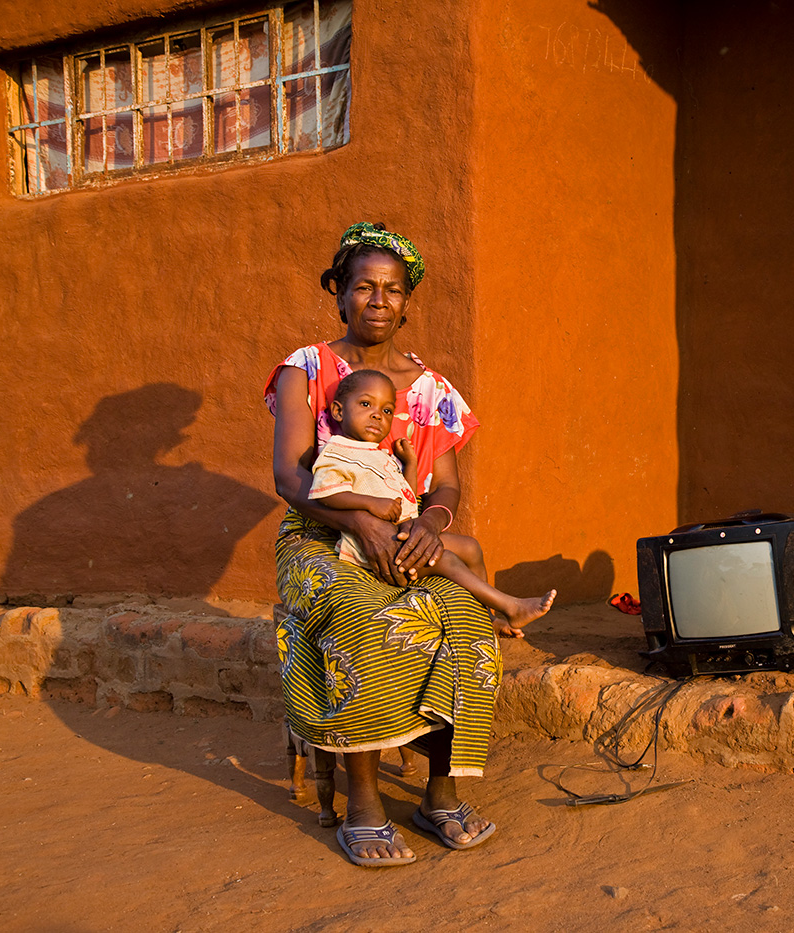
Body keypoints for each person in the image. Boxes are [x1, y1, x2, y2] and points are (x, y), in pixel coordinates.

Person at [266, 221, 513, 867]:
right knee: (365, 614)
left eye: (393, 289)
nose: (379, 300)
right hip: (318, 536)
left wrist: (430, 523)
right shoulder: (309, 368)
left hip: (406, 532)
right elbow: (290, 475)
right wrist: (360, 523)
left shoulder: (433, 391)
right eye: (364, 286)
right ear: (339, 292)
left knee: (462, 617)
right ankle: (366, 801)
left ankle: (440, 791)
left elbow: (448, 485)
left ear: (409, 299)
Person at [309, 368, 556, 633]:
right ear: (338, 411)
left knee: (470, 547)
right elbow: (325, 492)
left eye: (387, 411)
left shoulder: (380, 455)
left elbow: (406, 493)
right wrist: (370, 503)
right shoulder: (336, 452)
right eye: (366, 404)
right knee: (446, 559)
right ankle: (512, 607)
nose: (377, 415)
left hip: (402, 536)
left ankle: (487, 618)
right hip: (374, 552)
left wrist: (411, 464)